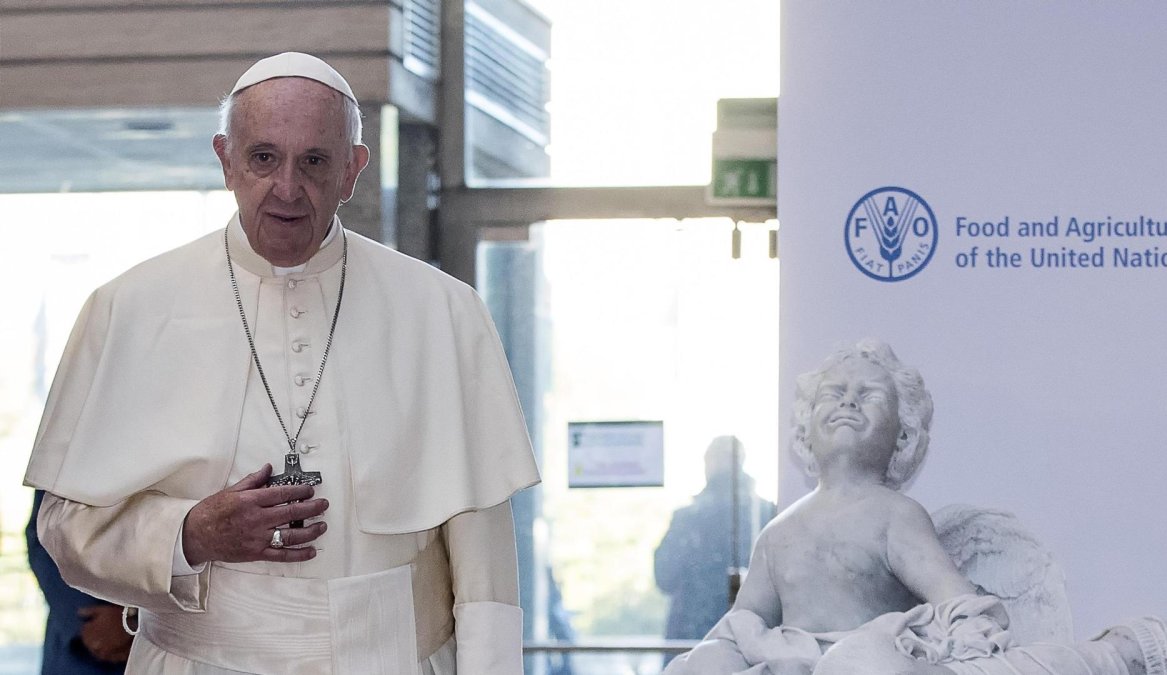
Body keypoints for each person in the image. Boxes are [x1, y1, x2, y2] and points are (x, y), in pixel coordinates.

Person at [24, 52, 540, 674]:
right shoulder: (128, 307)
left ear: (353, 170)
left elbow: (486, 573)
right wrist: (187, 534)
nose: (288, 189)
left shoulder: (443, 311)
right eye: (263, 158)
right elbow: (64, 530)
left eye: (315, 161)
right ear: (225, 160)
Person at [664, 339, 1167, 675]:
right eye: (834, 393)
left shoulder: (892, 514)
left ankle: (1128, 653)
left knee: (857, 664)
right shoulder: (778, 531)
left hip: (875, 661)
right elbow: (744, 621)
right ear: (804, 425)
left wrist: (973, 644)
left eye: (869, 395)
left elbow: (954, 597)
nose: (848, 401)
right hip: (794, 663)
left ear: (903, 436)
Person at [655, 436, 775, 645]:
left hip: (691, 639)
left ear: (709, 465)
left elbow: (664, 576)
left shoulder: (689, 519)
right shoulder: (767, 515)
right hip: (750, 639)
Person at [26, 489, 130, 673]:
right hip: (81, 644)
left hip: (163, 639)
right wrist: (84, 620)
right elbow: (43, 535)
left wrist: (134, 617)